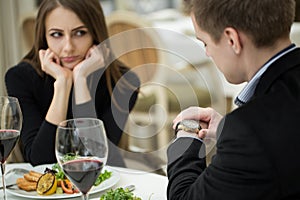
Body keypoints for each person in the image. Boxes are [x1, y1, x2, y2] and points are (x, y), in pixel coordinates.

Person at [167, 0, 300, 199]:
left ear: (232, 40)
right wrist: (226, 129)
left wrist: (187, 134)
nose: (207, 52)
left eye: (205, 43)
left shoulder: (248, 132)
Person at [5, 0, 139, 167]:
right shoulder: (20, 78)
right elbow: (41, 160)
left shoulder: (124, 81)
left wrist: (81, 80)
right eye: (56, 34)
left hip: (103, 185)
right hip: (40, 189)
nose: (68, 47)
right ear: (43, 36)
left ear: (95, 33)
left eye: (80, 33)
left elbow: (95, 157)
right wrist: (63, 84)